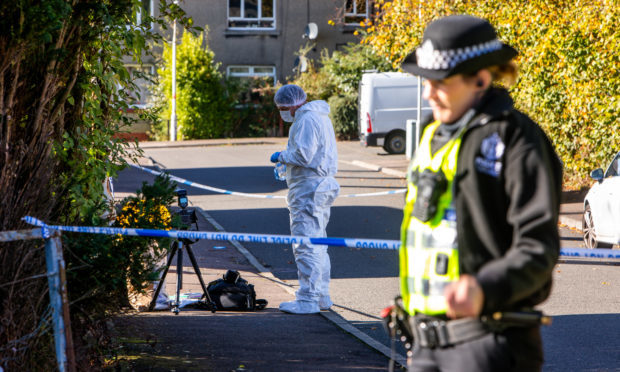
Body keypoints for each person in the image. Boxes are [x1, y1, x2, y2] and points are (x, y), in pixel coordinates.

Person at [395, 15, 563, 371]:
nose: (428, 92)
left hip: (488, 346)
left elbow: (539, 246)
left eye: (440, 82)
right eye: (425, 80)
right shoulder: (429, 132)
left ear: (481, 79)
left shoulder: (516, 139)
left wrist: (485, 287)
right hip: (425, 345)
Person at [270, 84, 340, 314]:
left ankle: (308, 300)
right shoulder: (319, 117)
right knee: (318, 242)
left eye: (282, 108)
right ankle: (321, 295)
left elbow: (303, 155)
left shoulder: (306, 119)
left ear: (291, 105)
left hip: (309, 188)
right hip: (319, 185)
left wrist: (281, 156)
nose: (282, 112)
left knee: (305, 243)